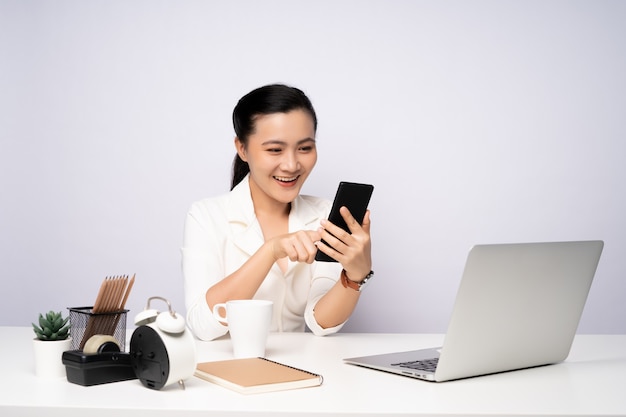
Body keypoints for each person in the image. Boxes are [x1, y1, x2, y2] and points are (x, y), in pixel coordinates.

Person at [182, 84, 373, 341]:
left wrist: (355, 276)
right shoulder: (206, 216)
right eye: (274, 150)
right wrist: (270, 250)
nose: (292, 164)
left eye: (304, 148)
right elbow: (203, 325)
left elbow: (320, 321)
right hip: (226, 371)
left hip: (302, 369)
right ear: (242, 148)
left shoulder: (325, 215)